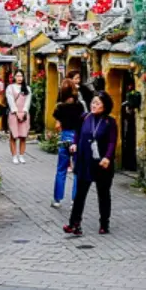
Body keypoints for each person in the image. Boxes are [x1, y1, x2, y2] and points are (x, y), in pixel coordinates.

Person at [64, 91, 117, 236]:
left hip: (101, 163)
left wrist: (107, 157)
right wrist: (74, 144)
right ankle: (74, 224)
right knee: (80, 194)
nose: (94, 105)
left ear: (105, 106)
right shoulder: (85, 117)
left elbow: (112, 142)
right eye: (93, 102)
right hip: (85, 161)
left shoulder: (109, 122)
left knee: (103, 194)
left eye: (97, 103)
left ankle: (104, 224)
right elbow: (78, 133)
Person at [51, 78, 83, 208]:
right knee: (77, 171)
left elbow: (57, 125)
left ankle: (57, 199)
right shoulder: (79, 106)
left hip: (64, 137)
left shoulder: (60, 107)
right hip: (76, 138)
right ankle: (75, 200)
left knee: (61, 169)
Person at [5, 71, 31, 164]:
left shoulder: (27, 88)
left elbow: (28, 102)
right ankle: (14, 156)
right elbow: (10, 101)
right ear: (14, 77)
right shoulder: (10, 87)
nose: (19, 78)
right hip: (13, 114)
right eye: (18, 76)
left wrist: (24, 112)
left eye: (21, 76)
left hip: (24, 114)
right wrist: (16, 112)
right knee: (13, 136)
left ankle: (21, 155)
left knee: (23, 136)